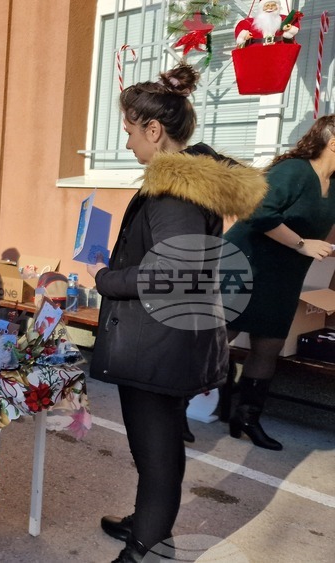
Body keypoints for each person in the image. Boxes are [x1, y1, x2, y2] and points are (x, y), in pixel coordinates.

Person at [85, 64, 266, 563]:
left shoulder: (174, 189)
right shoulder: (188, 183)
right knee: (156, 443)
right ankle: (147, 521)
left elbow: (173, 272)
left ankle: (146, 544)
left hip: (159, 341)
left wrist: (106, 279)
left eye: (128, 131)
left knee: (156, 448)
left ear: (153, 130)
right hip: (169, 335)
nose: (127, 144)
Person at [222, 115, 335, 451]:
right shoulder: (295, 171)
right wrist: (303, 244)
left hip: (284, 274)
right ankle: (177, 409)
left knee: (268, 345)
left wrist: (323, 246)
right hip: (246, 264)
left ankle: (246, 417)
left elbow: (322, 228)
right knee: (217, 340)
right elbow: (258, 212)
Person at [235, 0, 301, 47]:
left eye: (273, 5)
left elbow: (293, 28)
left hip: (279, 50)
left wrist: (289, 29)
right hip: (256, 52)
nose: (270, 7)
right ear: (261, 7)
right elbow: (240, 30)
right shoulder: (250, 22)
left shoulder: (283, 19)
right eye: (267, 5)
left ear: (277, 7)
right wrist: (244, 35)